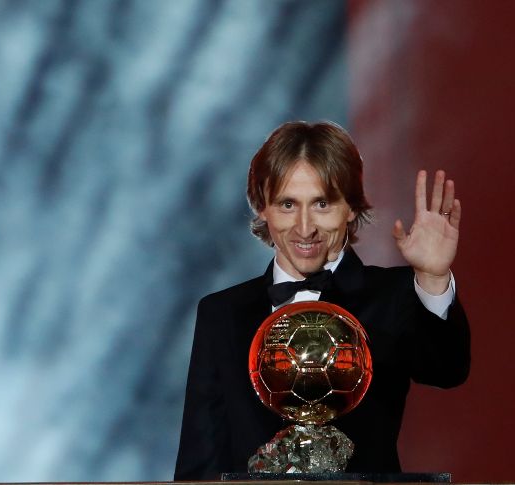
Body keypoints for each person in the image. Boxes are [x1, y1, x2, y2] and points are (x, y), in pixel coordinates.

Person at [173, 121, 470, 480]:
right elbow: (201, 459)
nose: (304, 228)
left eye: (322, 204)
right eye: (287, 204)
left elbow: (446, 368)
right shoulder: (222, 313)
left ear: (351, 207)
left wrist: (433, 277)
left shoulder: (393, 295)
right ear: (262, 208)